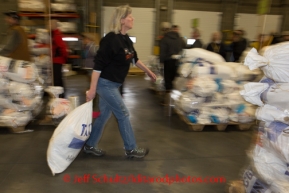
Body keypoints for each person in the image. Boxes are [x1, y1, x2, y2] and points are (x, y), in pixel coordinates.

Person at [84, 5, 156, 159]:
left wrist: (148, 71)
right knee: (123, 114)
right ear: (122, 20)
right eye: (130, 16)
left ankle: (90, 145)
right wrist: (92, 89)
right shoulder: (110, 40)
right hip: (105, 84)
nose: (133, 18)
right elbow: (97, 66)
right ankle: (131, 149)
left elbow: (134, 59)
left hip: (114, 85)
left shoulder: (126, 40)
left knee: (103, 116)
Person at [160, 24, 184, 92]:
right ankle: (175, 95)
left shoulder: (165, 39)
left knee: (167, 79)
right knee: (175, 78)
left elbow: (163, 51)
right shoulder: (180, 39)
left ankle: (168, 97)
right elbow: (184, 49)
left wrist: (161, 62)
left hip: (168, 61)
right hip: (178, 61)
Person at [49, 19, 68, 98]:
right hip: (57, 60)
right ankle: (60, 94)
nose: (48, 26)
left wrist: (64, 58)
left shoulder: (57, 36)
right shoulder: (54, 35)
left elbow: (62, 48)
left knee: (57, 79)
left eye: (50, 24)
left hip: (57, 61)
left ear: (54, 25)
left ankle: (60, 95)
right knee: (58, 78)